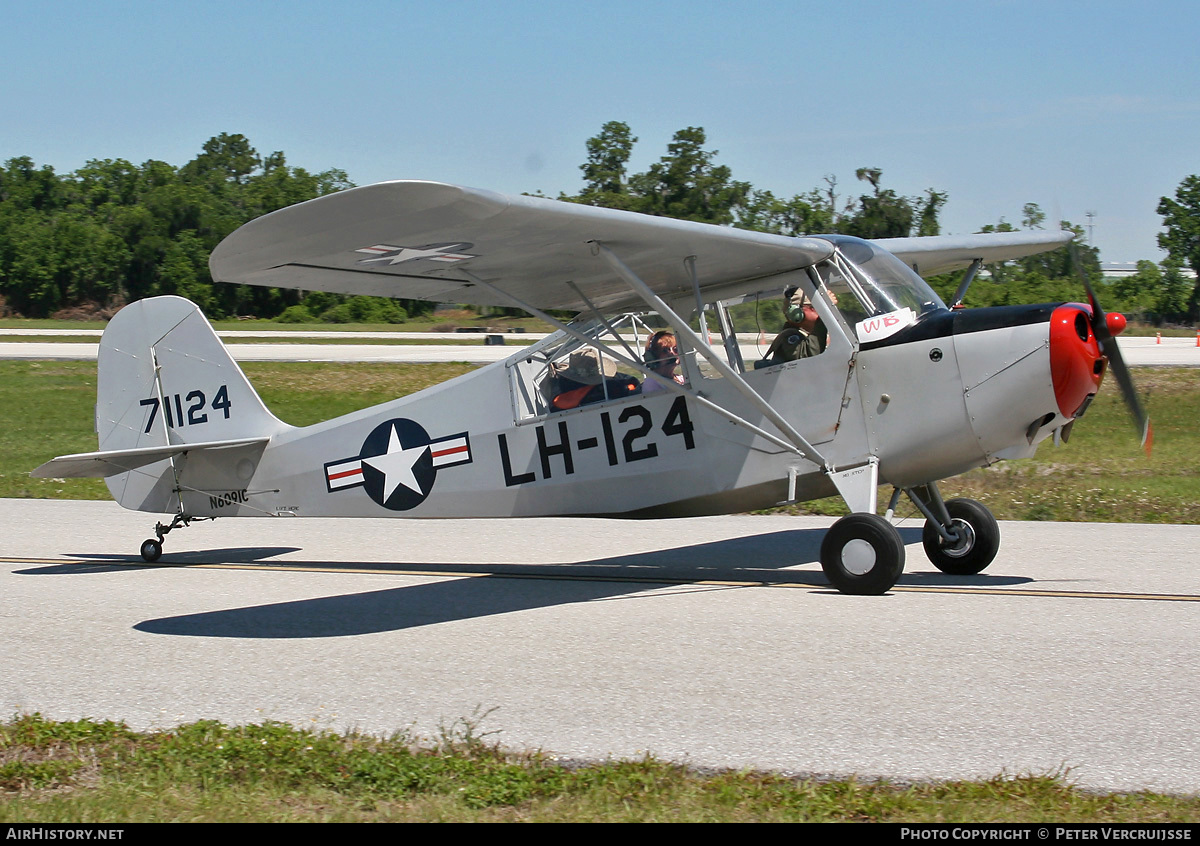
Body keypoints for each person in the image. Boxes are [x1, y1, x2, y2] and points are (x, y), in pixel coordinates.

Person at [765, 286, 822, 363]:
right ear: (796, 313)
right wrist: (823, 319)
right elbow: (810, 356)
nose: (821, 311)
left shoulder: (803, 335)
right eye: (815, 307)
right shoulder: (789, 337)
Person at [640, 330, 686, 395]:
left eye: (675, 349)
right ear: (654, 356)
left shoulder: (682, 379)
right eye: (665, 350)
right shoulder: (652, 383)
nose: (672, 353)